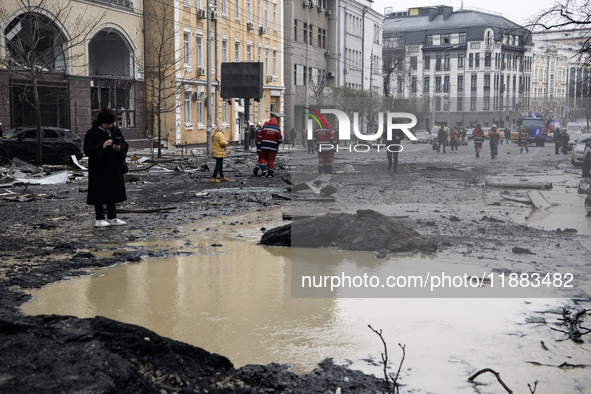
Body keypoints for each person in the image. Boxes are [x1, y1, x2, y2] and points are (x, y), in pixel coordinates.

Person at [84, 108, 129, 227]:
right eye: (107, 123)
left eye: (111, 123)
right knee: (98, 192)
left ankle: (112, 216)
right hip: (99, 168)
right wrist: (102, 146)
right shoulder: (92, 133)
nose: (109, 126)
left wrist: (120, 148)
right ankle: (99, 217)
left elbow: (125, 144)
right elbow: (87, 149)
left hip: (113, 167)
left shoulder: (115, 130)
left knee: (113, 191)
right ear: (101, 122)